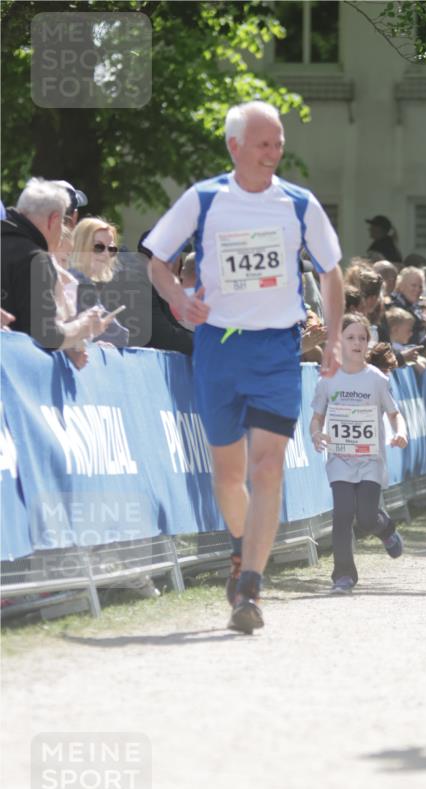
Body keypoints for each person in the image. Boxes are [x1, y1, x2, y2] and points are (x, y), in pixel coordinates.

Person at [144, 100, 344, 633]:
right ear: (235, 146)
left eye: (278, 143)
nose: (273, 152)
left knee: (268, 468)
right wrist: (177, 300)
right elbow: (156, 259)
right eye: (262, 143)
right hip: (218, 347)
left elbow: (332, 272)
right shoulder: (204, 199)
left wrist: (331, 337)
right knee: (230, 477)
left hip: (277, 350)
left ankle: (250, 586)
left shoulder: (299, 204)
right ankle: (241, 549)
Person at [310, 313, 408, 594]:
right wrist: (316, 435)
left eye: (362, 338)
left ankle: (386, 529)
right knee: (342, 513)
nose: (357, 342)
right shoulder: (328, 379)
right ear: (338, 342)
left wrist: (400, 432)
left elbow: (394, 414)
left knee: (365, 517)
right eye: (350, 337)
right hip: (340, 459)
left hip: (369, 460)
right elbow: (316, 418)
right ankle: (343, 575)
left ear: (368, 343)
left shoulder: (375, 379)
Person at [0, 177, 117, 353]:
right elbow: (48, 336)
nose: (63, 230)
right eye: (63, 221)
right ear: (53, 220)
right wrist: (84, 325)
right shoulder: (36, 259)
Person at [70, 218, 130, 348]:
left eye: (111, 249)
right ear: (81, 246)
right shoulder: (74, 281)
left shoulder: (84, 283)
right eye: (99, 247)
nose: (106, 254)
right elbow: (118, 335)